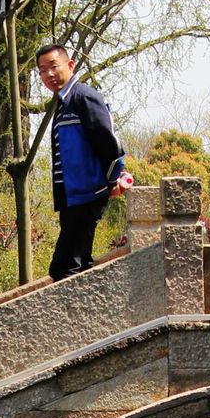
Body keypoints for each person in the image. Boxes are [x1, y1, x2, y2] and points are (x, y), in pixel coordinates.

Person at [35, 42, 131, 280]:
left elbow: (108, 141)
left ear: (70, 65)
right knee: (74, 262)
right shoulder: (62, 104)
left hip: (87, 194)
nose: (49, 74)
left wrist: (113, 180)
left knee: (66, 267)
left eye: (53, 66)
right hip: (71, 198)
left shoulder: (84, 97)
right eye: (42, 70)